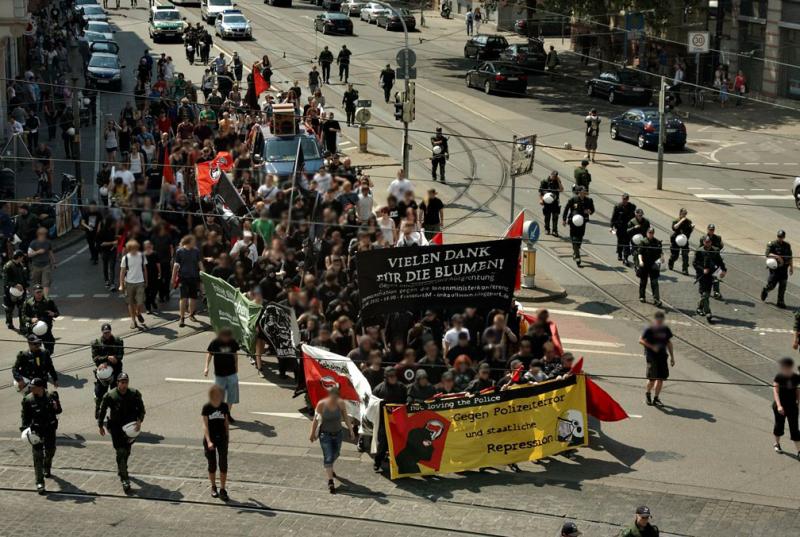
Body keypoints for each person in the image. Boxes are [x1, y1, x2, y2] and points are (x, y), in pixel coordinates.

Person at [97, 372, 146, 493]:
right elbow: (102, 411)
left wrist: (139, 421)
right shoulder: (110, 395)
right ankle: (125, 479)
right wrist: (100, 426)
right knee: (121, 451)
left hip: (130, 429)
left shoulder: (134, 394)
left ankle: (121, 468)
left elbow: (142, 410)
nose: (124, 385)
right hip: (116, 428)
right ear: (117, 383)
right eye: (122, 382)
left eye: (126, 382)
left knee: (127, 451)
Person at [20, 377, 62, 494]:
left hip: (49, 429)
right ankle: (40, 482)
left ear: (40, 388)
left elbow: (59, 411)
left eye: (33, 387)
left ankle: (47, 467)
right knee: (37, 456)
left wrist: (56, 407)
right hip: (36, 431)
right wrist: (25, 430)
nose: (30, 389)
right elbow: (25, 417)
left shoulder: (52, 396)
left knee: (51, 451)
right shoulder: (28, 400)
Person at [309, 387, 354, 493]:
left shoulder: (341, 403)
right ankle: (330, 481)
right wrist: (312, 433)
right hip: (325, 435)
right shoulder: (321, 404)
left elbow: (346, 417)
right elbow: (315, 420)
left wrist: (351, 430)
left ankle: (330, 466)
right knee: (328, 457)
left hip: (338, 434)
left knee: (336, 453)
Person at [372, 367, 407, 472]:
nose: (393, 378)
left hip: (398, 420)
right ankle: (377, 462)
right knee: (383, 444)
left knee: (400, 443)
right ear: (386, 377)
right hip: (384, 421)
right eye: (391, 376)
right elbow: (373, 405)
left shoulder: (401, 388)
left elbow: (406, 400)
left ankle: (400, 464)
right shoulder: (379, 389)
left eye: (394, 376)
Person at [204, 328, 241, 422]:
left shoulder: (232, 342)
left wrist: (236, 366)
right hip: (219, 375)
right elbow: (209, 354)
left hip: (231, 373)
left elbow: (235, 354)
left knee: (232, 396)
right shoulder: (215, 342)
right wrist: (206, 367)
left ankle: (227, 414)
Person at [639, 312, 674, 407]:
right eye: (658, 321)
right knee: (652, 379)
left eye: (661, 321)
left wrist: (672, 357)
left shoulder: (665, 329)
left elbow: (669, 343)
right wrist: (652, 346)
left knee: (661, 379)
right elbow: (641, 340)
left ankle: (656, 398)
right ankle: (648, 394)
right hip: (651, 357)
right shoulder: (649, 329)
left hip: (662, 356)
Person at [202, 384, 231, 500]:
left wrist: (227, 437)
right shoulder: (207, 408)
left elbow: (226, 422)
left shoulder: (224, 407)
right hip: (211, 439)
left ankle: (223, 489)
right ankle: (213, 486)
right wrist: (208, 441)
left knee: (223, 464)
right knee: (212, 464)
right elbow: (205, 425)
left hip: (222, 438)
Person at [92, 323, 124, 419]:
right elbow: (95, 358)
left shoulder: (118, 341)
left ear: (111, 331)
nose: (107, 334)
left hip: (115, 371)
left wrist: (115, 359)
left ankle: (115, 413)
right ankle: (98, 408)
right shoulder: (96, 343)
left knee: (115, 394)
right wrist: (106, 359)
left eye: (108, 332)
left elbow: (120, 355)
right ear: (102, 332)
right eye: (105, 333)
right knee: (99, 394)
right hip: (103, 373)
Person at [693, 236, 726, 322]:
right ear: (703, 242)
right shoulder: (699, 251)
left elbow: (720, 262)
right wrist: (702, 269)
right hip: (702, 276)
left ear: (711, 242)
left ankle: (700, 307)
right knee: (705, 295)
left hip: (711, 276)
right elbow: (694, 263)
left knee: (705, 294)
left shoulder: (715, 250)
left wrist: (724, 270)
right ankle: (708, 312)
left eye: (709, 242)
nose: (707, 243)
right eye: (706, 242)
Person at [771, 357, 800, 456]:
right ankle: (777, 443)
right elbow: (775, 391)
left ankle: (799, 451)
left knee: (795, 428)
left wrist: (798, 403)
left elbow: (797, 390)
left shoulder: (796, 377)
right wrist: (779, 406)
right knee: (779, 425)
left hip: (792, 406)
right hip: (780, 406)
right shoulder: (779, 377)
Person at [173, 235, 203, 327]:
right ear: (189, 242)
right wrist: (173, 278)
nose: (195, 243)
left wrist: (203, 272)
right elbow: (176, 265)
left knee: (193, 298)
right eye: (193, 241)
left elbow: (199, 262)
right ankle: (182, 318)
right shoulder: (180, 251)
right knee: (183, 298)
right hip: (183, 278)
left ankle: (191, 314)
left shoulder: (196, 251)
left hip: (194, 277)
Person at [561, 186, 595, 267]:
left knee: (580, 237)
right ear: (579, 192)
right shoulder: (573, 200)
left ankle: (576, 250)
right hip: (573, 222)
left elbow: (592, 210)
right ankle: (577, 256)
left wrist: (589, 211)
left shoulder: (589, 200)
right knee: (574, 238)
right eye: (582, 191)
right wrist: (564, 219)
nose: (584, 193)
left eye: (585, 191)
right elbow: (566, 209)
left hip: (583, 222)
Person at [119, 240, 148, 330]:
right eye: (133, 249)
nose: (135, 250)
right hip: (129, 283)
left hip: (140, 282)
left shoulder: (142, 257)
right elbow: (122, 272)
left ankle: (138, 312)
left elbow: (145, 269)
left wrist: (146, 280)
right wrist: (121, 284)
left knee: (140, 302)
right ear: (129, 249)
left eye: (136, 248)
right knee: (131, 303)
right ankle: (133, 320)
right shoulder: (125, 258)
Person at [22, 285, 59, 354]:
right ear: (34, 293)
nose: (39, 294)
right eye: (37, 292)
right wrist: (31, 319)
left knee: (49, 350)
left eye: (40, 292)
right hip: (34, 331)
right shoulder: (28, 303)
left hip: (46, 331)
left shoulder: (49, 301)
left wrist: (53, 314)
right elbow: (23, 317)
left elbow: (57, 313)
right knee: (35, 352)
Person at [762, 229, 792, 308]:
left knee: (783, 285)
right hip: (775, 269)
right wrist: (777, 257)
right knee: (772, 285)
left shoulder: (787, 245)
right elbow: (767, 254)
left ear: (784, 237)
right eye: (779, 236)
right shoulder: (772, 244)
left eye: (781, 237)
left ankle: (780, 301)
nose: (780, 238)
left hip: (784, 269)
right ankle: (766, 290)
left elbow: (790, 257)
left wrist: (791, 267)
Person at [635, 227, 663, 307]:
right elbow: (640, 253)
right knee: (643, 281)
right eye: (649, 233)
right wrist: (640, 261)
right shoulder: (643, 242)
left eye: (652, 233)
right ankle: (642, 296)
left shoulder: (657, 242)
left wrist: (662, 258)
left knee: (654, 282)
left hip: (653, 265)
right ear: (647, 233)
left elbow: (660, 252)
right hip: (644, 264)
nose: (651, 234)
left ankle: (656, 300)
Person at [4, 249, 29, 330]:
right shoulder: (8, 266)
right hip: (10, 291)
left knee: (22, 308)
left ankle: (22, 326)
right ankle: (9, 323)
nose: (23, 259)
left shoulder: (21, 265)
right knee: (9, 308)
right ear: (19, 257)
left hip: (21, 291)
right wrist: (15, 285)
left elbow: (24, 278)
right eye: (22, 257)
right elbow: (6, 280)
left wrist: (26, 287)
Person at [28, 227, 55, 297]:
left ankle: (45, 298)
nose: (44, 235)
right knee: (37, 284)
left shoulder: (48, 242)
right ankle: (38, 297)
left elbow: (50, 252)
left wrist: (54, 262)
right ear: (38, 234)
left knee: (46, 282)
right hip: (36, 266)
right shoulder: (33, 243)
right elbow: (29, 254)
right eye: (42, 234)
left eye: (45, 234)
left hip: (46, 265)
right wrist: (37, 252)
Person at [610, 194, 636, 264]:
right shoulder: (618, 207)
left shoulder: (632, 207)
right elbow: (614, 217)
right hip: (620, 227)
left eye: (626, 199)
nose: (624, 200)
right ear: (622, 199)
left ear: (628, 199)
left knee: (626, 242)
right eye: (623, 199)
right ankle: (619, 254)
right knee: (620, 241)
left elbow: (634, 217)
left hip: (628, 228)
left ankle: (626, 257)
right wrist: (611, 227)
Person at [668, 208, 693, 274]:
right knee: (675, 256)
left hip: (684, 240)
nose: (685, 215)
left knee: (685, 255)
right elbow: (674, 228)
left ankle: (685, 269)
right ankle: (671, 261)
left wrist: (692, 228)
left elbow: (689, 231)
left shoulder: (688, 221)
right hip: (676, 240)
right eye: (683, 213)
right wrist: (681, 221)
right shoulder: (676, 221)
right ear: (680, 213)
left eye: (685, 213)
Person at [539, 170, 563, 236]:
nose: (554, 177)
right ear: (551, 175)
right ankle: (547, 229)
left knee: (555, 217)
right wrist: (541, 200)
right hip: (547, 202)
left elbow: (561, 189)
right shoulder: (545, 182)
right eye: (553, 176)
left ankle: (555, 231)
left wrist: (558, 181)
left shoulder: (557, 182)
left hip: (555, 202)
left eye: (555, 176)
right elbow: (541, 192)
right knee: (547, 216)